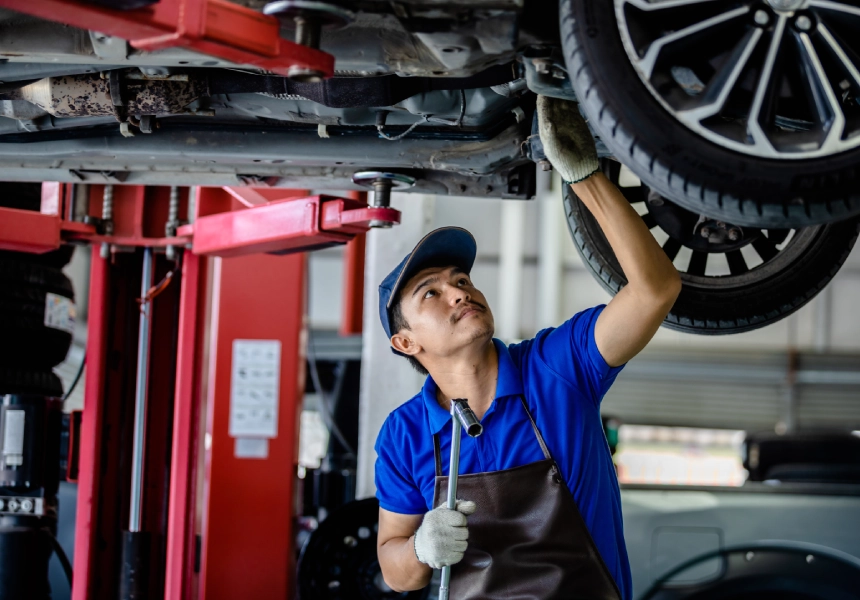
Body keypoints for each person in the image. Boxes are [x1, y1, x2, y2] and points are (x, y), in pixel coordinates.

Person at [373, 96, 682, 599]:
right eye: (431, 291)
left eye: (462, 278)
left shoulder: (558, 367)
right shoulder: (404, 434)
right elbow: (394, 569)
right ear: (405, 341)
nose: (459, 290)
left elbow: (655, 290)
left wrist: (585, 176)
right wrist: (420, 549)